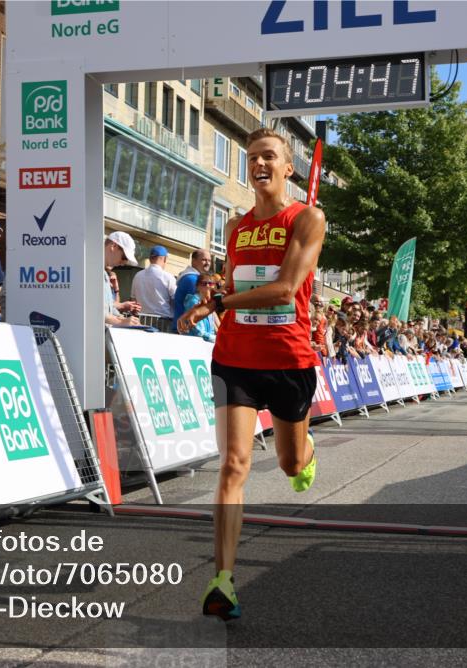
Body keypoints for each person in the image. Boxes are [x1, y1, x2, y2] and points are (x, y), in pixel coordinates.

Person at [178, 127, 326, 621]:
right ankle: (223, 581)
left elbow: (285, 289)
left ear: (288, 169)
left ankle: (305, 454)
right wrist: (215, 290)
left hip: (288, 361)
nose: (258, 164)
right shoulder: (237, 225)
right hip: (235, 357)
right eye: (251, 158)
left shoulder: (307, 218)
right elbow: (235, 274)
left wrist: (216, 303)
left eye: (268, 157)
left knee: (287, 465)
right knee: (233, 465)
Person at [104, 231, 140, 326]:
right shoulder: (92, 270)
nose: (123, 262)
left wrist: (125, 319)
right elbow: (95, 310)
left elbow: (108, 308)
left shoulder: (103, 274)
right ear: (113, 246)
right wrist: (121, 321)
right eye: (124, 257)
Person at [131, 245, 177, 318]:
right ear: (164, 259)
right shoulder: (168, 277)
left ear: (150, 259)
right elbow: (176, 299)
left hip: (141, 319)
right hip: (162, 320)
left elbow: (133, 299)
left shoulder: (138, 275)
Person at [171, 249, 213, 328]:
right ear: (194, 261)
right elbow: (202, 306)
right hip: (186, 329)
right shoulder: (192, 279)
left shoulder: (195, 277)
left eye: (209, 261)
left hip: (188, 327)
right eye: (204, 260)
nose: (207, 263)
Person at [181, 272, 218, 342]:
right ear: (197, 286)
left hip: (206, 344)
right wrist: (218, 339)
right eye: (204, 283)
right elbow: (199, 331)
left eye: (210, 283)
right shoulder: (193, 302)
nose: (207, 286)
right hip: (194, 343)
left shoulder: (210, 303)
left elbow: (212, 329)